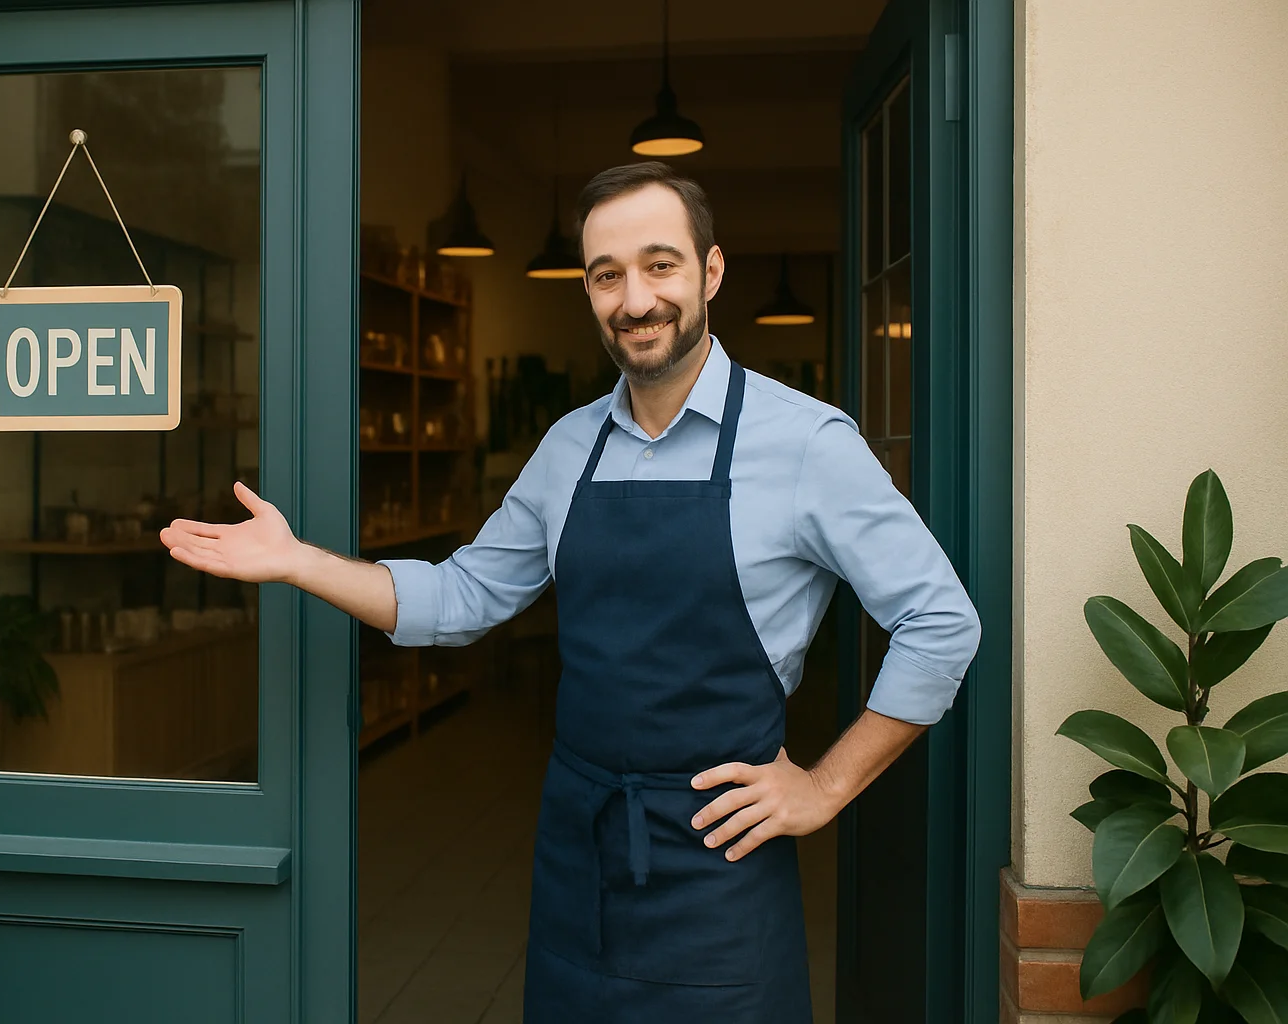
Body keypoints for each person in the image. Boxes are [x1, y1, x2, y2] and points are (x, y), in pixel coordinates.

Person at [161, 161, 981, 1023]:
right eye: (606, 275)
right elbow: (463, 597)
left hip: (720, 866)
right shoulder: (569, 447)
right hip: (578, 851)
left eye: (660, 265)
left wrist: (824, 787)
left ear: (710, 272)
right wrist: (299, 562)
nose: (635, 300)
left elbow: (940, 623)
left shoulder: (808, 443)